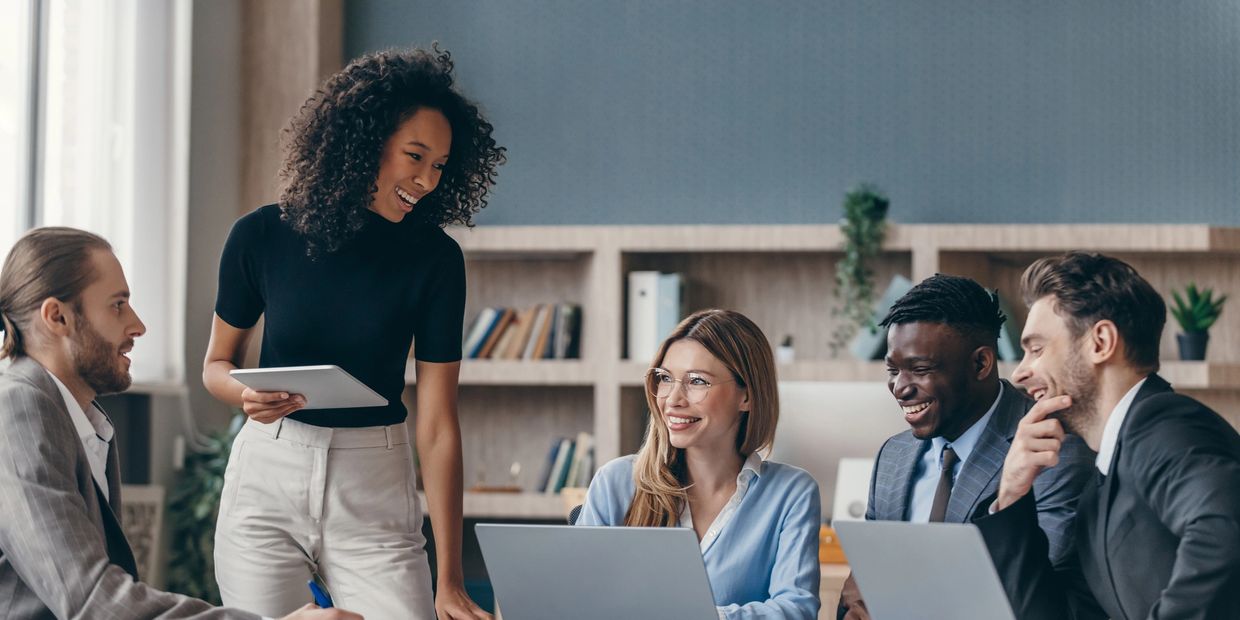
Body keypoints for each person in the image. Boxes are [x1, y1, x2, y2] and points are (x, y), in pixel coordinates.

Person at [202, 47, 504, 619]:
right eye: (415, 156)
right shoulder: (261, 235)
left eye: (440, 165)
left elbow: (438, 425)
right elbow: (216, 365)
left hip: (375, 482)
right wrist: (245, 395)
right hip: (268, 474)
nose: (426, 180)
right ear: (364, 141)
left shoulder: (436, 260)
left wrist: (451, 578)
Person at [0, 227, 358, 619]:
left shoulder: (81, 418)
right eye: (118, 305)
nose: (137, 325)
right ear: (58, 317)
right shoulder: (17, 410)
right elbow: (91, 599)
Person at [975, 252, 1240, 619]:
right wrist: (1011, 497)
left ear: (1100, 342)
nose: (1019, 373)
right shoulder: (1097, 493)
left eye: (1036, 349)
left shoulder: (1161, 421)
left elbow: (1225, 532)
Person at [837, 275, 1095, 619]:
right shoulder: (893, 456)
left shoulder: (1051, 450)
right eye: (893, 370)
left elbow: (1036, 598)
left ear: (980, 364)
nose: (900, 388)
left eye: (920, 369)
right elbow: (859, 589)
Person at [578, 309, 822, 619]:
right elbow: (580, 601)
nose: (672, 399)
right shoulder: (615, 482)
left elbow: (796, 611)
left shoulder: (791, 493)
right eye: (665, 378)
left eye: (697, 381)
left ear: (746, 396)